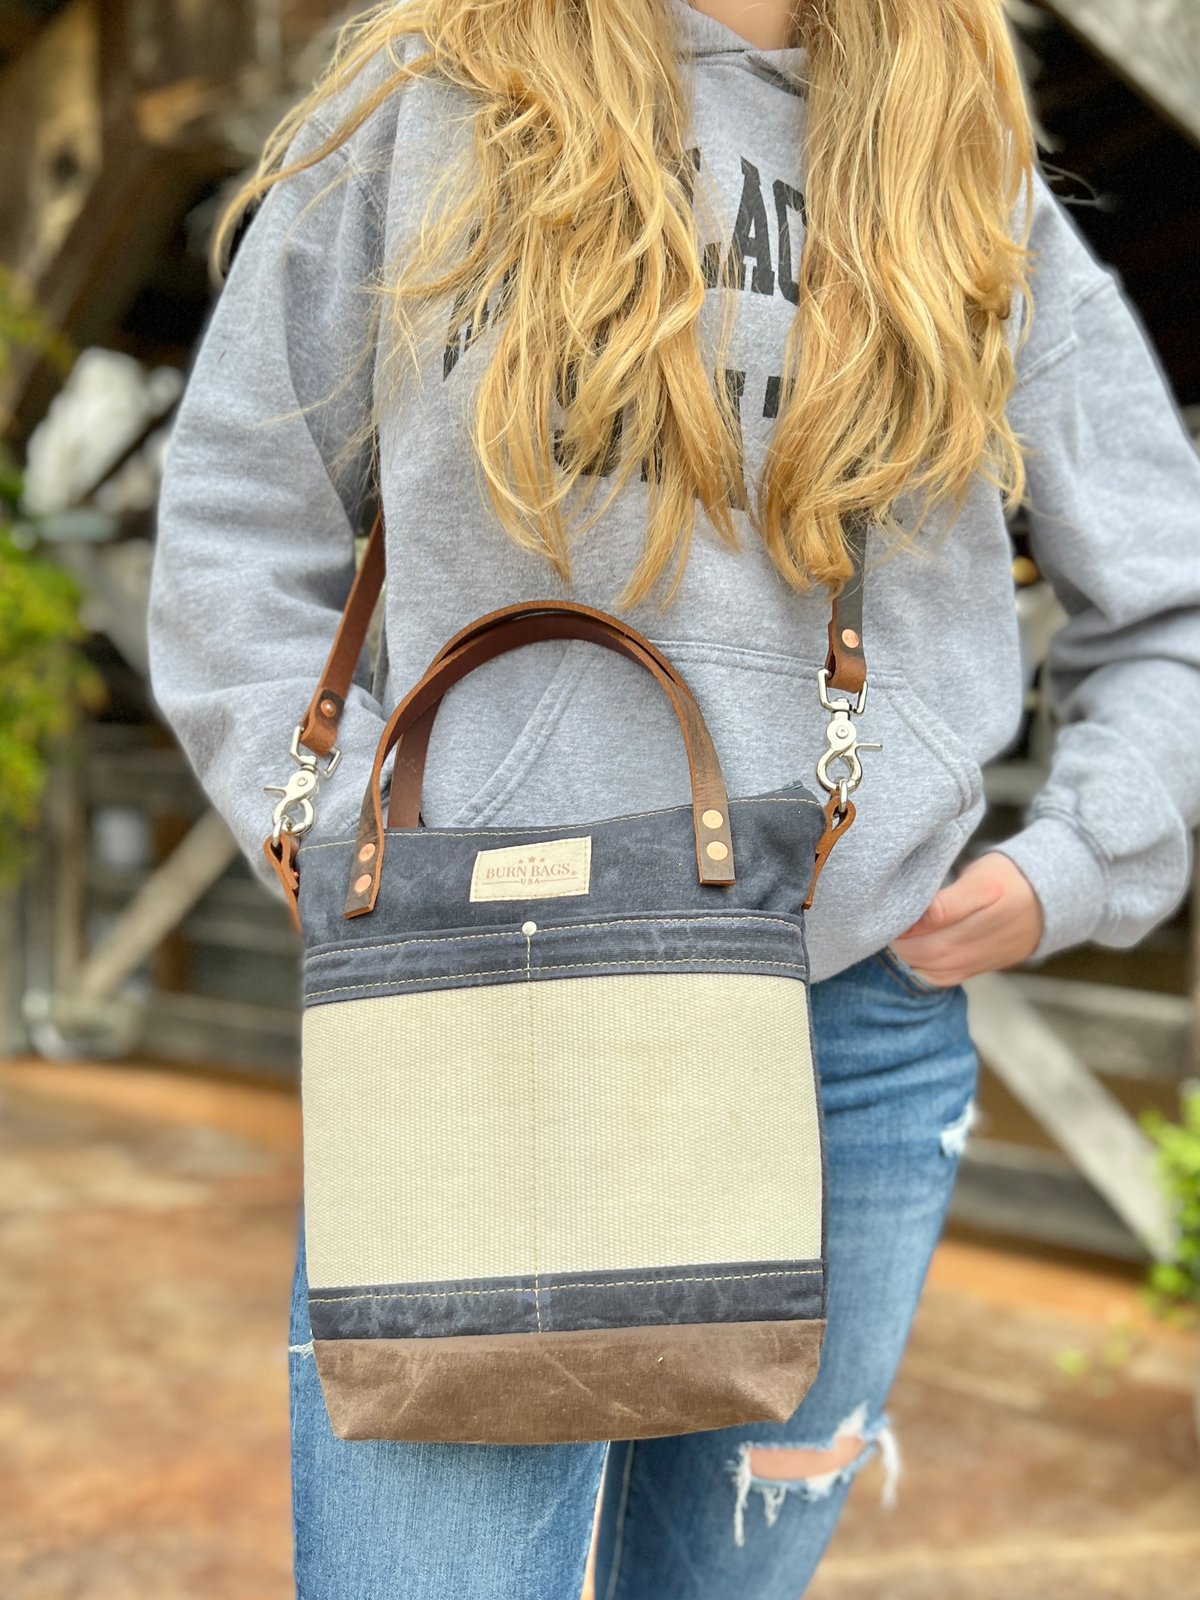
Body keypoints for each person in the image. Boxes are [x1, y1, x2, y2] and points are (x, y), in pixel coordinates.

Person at [145, 0, 1200, 1594]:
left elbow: (1169, 595)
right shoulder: (435, 95)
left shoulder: (965, 162)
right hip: (481, 1020)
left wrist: (1078, 861)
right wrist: (340, 833)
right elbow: (240, 520)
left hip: (842, 1030)